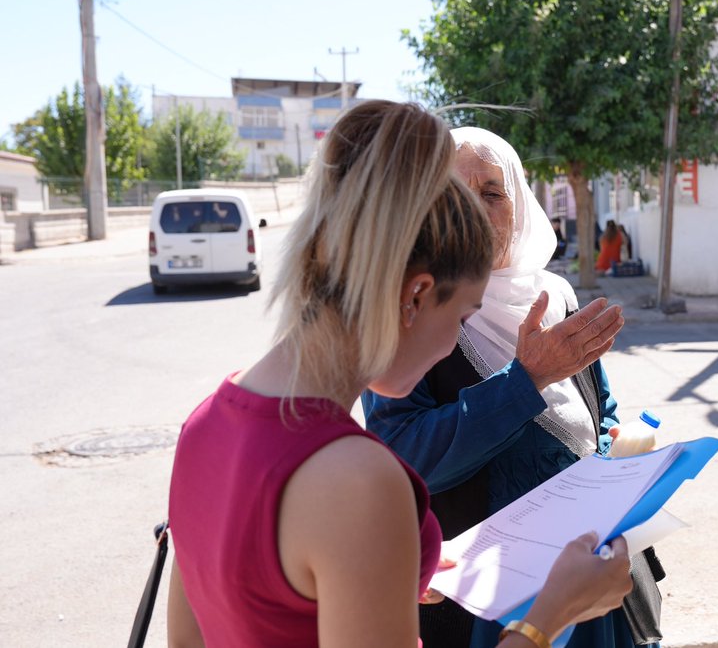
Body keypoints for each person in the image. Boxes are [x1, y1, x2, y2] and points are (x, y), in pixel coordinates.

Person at [166, 101, 634, 647]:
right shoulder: (363, 483)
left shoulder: (205, 424)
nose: (451, 348)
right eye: (462, 315)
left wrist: (374, 570)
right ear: (415, 296)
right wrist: (549, 615)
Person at [363, 126, 665, 648]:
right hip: (484, 607)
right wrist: (525, 381)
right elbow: (401, 455)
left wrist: (615, 441)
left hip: (594, 573)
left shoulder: (553, 294)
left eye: (492, 194)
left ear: (519, 205)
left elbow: (598, 404)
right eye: (454, 197)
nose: (474, 212)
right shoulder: (409, 310)